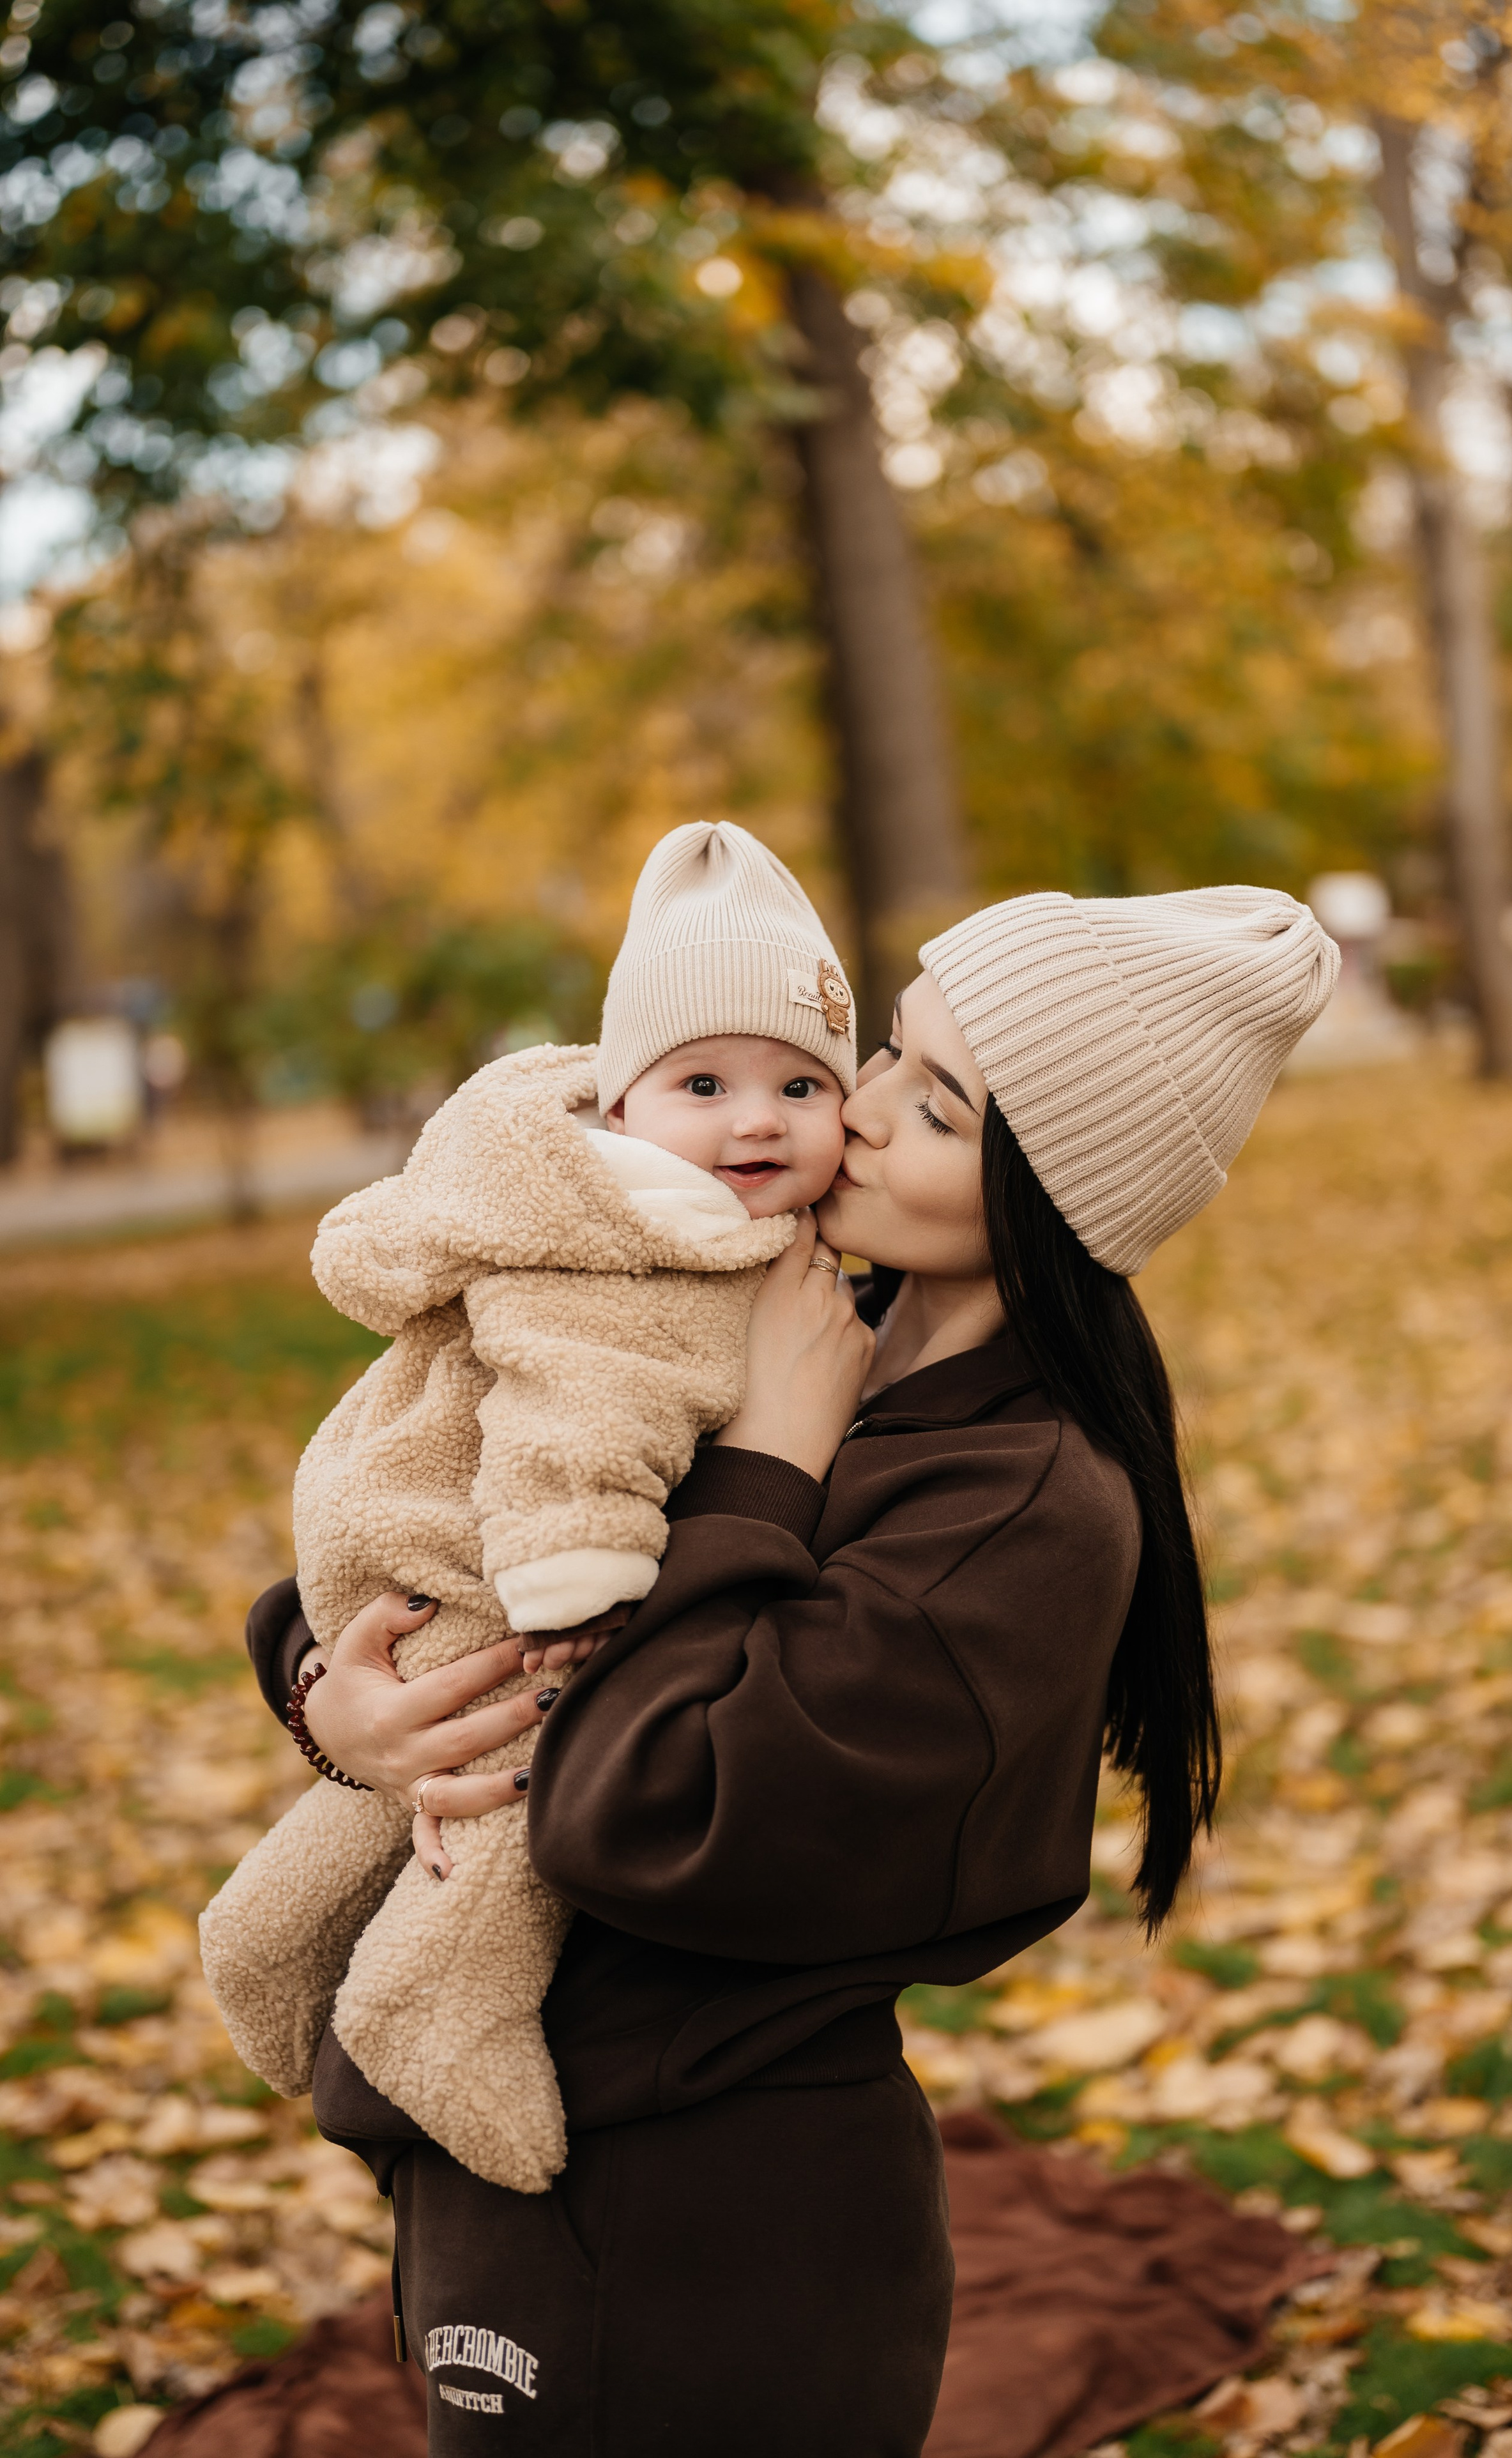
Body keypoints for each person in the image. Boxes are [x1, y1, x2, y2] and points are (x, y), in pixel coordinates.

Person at [239, 880, 1338, 2457]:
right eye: (887, 1051)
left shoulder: (1016, 1506)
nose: (861, 1113)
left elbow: (646, 1806)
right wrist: (335, 1702)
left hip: (697, 2216)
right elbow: (420, 1526)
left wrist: (764, 1469)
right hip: (508, 2169)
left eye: (940, 1106)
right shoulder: (774, 1302)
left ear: (1053, 1198)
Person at [201, 821, 856, 2198]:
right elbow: (582, 1409)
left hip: (402, 1552)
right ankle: (431, 2001)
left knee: (400, 1788)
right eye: (704, 1081)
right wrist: (587, 1581)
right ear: (620, 1103)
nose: (757, 1120)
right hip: (499, 1569)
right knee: (514, 1787)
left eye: (803, 1084)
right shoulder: (645, 1243)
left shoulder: (606, 1199)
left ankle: (263, 1938)